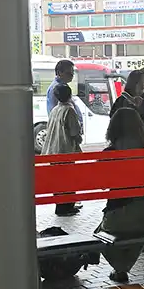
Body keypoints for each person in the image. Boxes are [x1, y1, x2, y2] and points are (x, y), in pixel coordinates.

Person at [97, 108, 144, 283]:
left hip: (118, 213)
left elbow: (101, 184)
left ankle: (120, 268)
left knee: (100, 234)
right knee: (137, 234)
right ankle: (122, 268)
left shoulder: (109, 153)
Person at [42, 83, 84, 215]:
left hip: (53, 151)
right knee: (68, 180)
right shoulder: (69, 110)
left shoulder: (55, 110)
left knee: (58, 181)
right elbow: (74, 132)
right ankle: (67, 207)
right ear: (70, 95)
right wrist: (79, 139)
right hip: (65, 151)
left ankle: (60, 207)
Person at [46, 59, 83, 131]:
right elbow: (57, 115)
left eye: (73, 73)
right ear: (59, 72)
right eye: (69, 73)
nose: (72, 76)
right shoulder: (57, 89)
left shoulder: (63, 86)